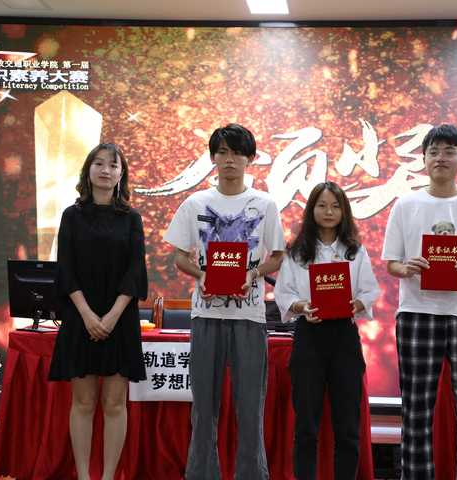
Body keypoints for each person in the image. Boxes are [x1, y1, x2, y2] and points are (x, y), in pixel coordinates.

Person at [163, 123, 285, 480]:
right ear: (213, 158)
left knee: (250, 410)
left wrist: (253, 273)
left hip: (250, 318)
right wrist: (202, 276)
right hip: (206, 315)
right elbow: (180, 257)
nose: (229, 160)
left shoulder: (265, 204)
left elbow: (278, 256)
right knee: (203, 409)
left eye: (237, 153)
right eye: (222, 152)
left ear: (250, 158)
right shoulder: (195, 203)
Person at [381, 124, 457, 480]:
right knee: (416, 411)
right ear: (424, 159)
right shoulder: (406, 204)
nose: (440, 158)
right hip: (418, 313)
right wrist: (407, 267)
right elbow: (391, 263)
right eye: (433, 152)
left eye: (449, 151)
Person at [48, 143, 148, 480]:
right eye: (99, 164)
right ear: (88, 170)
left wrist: (112, 316)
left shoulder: (131, 218)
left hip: (120, 318)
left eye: (113, 165)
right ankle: (83, 475)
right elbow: (66, 269)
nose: (106, 170)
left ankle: (107, 477)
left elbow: (135, 272)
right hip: (81, 317)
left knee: (115, 404)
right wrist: (88, 315)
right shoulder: (71, 216)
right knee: (83, 403)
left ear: (122, 174)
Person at [274, 181, 381, 480]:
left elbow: (370, 291)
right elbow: (284, 293)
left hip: (344, 337)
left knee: (347, 427)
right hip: (309, 337)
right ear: (311, 210)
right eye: (322, 205)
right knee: (306, 426)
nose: (329, 212)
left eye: (335, 206)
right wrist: (301, 306)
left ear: (344, 211)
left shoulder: (355, 251)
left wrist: (356, 303)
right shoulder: (297, 253)